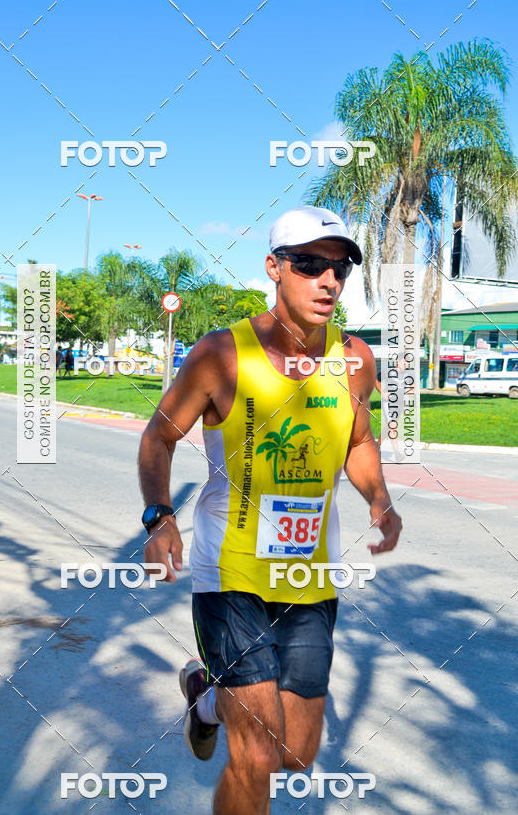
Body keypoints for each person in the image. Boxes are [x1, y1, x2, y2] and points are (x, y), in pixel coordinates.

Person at [138, 206, 402, 814]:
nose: (329, 281)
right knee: (255, 758)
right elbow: (158, 437)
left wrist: (379, 498)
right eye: (310, 265)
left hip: (310, 579)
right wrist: (160, 517)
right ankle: (217, 699)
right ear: (275, 268)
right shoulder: (221, 355)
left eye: (340, 268)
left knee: (295, 754)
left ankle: (205, 697)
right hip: (229, 573)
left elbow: (358, 438)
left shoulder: (356, 360)